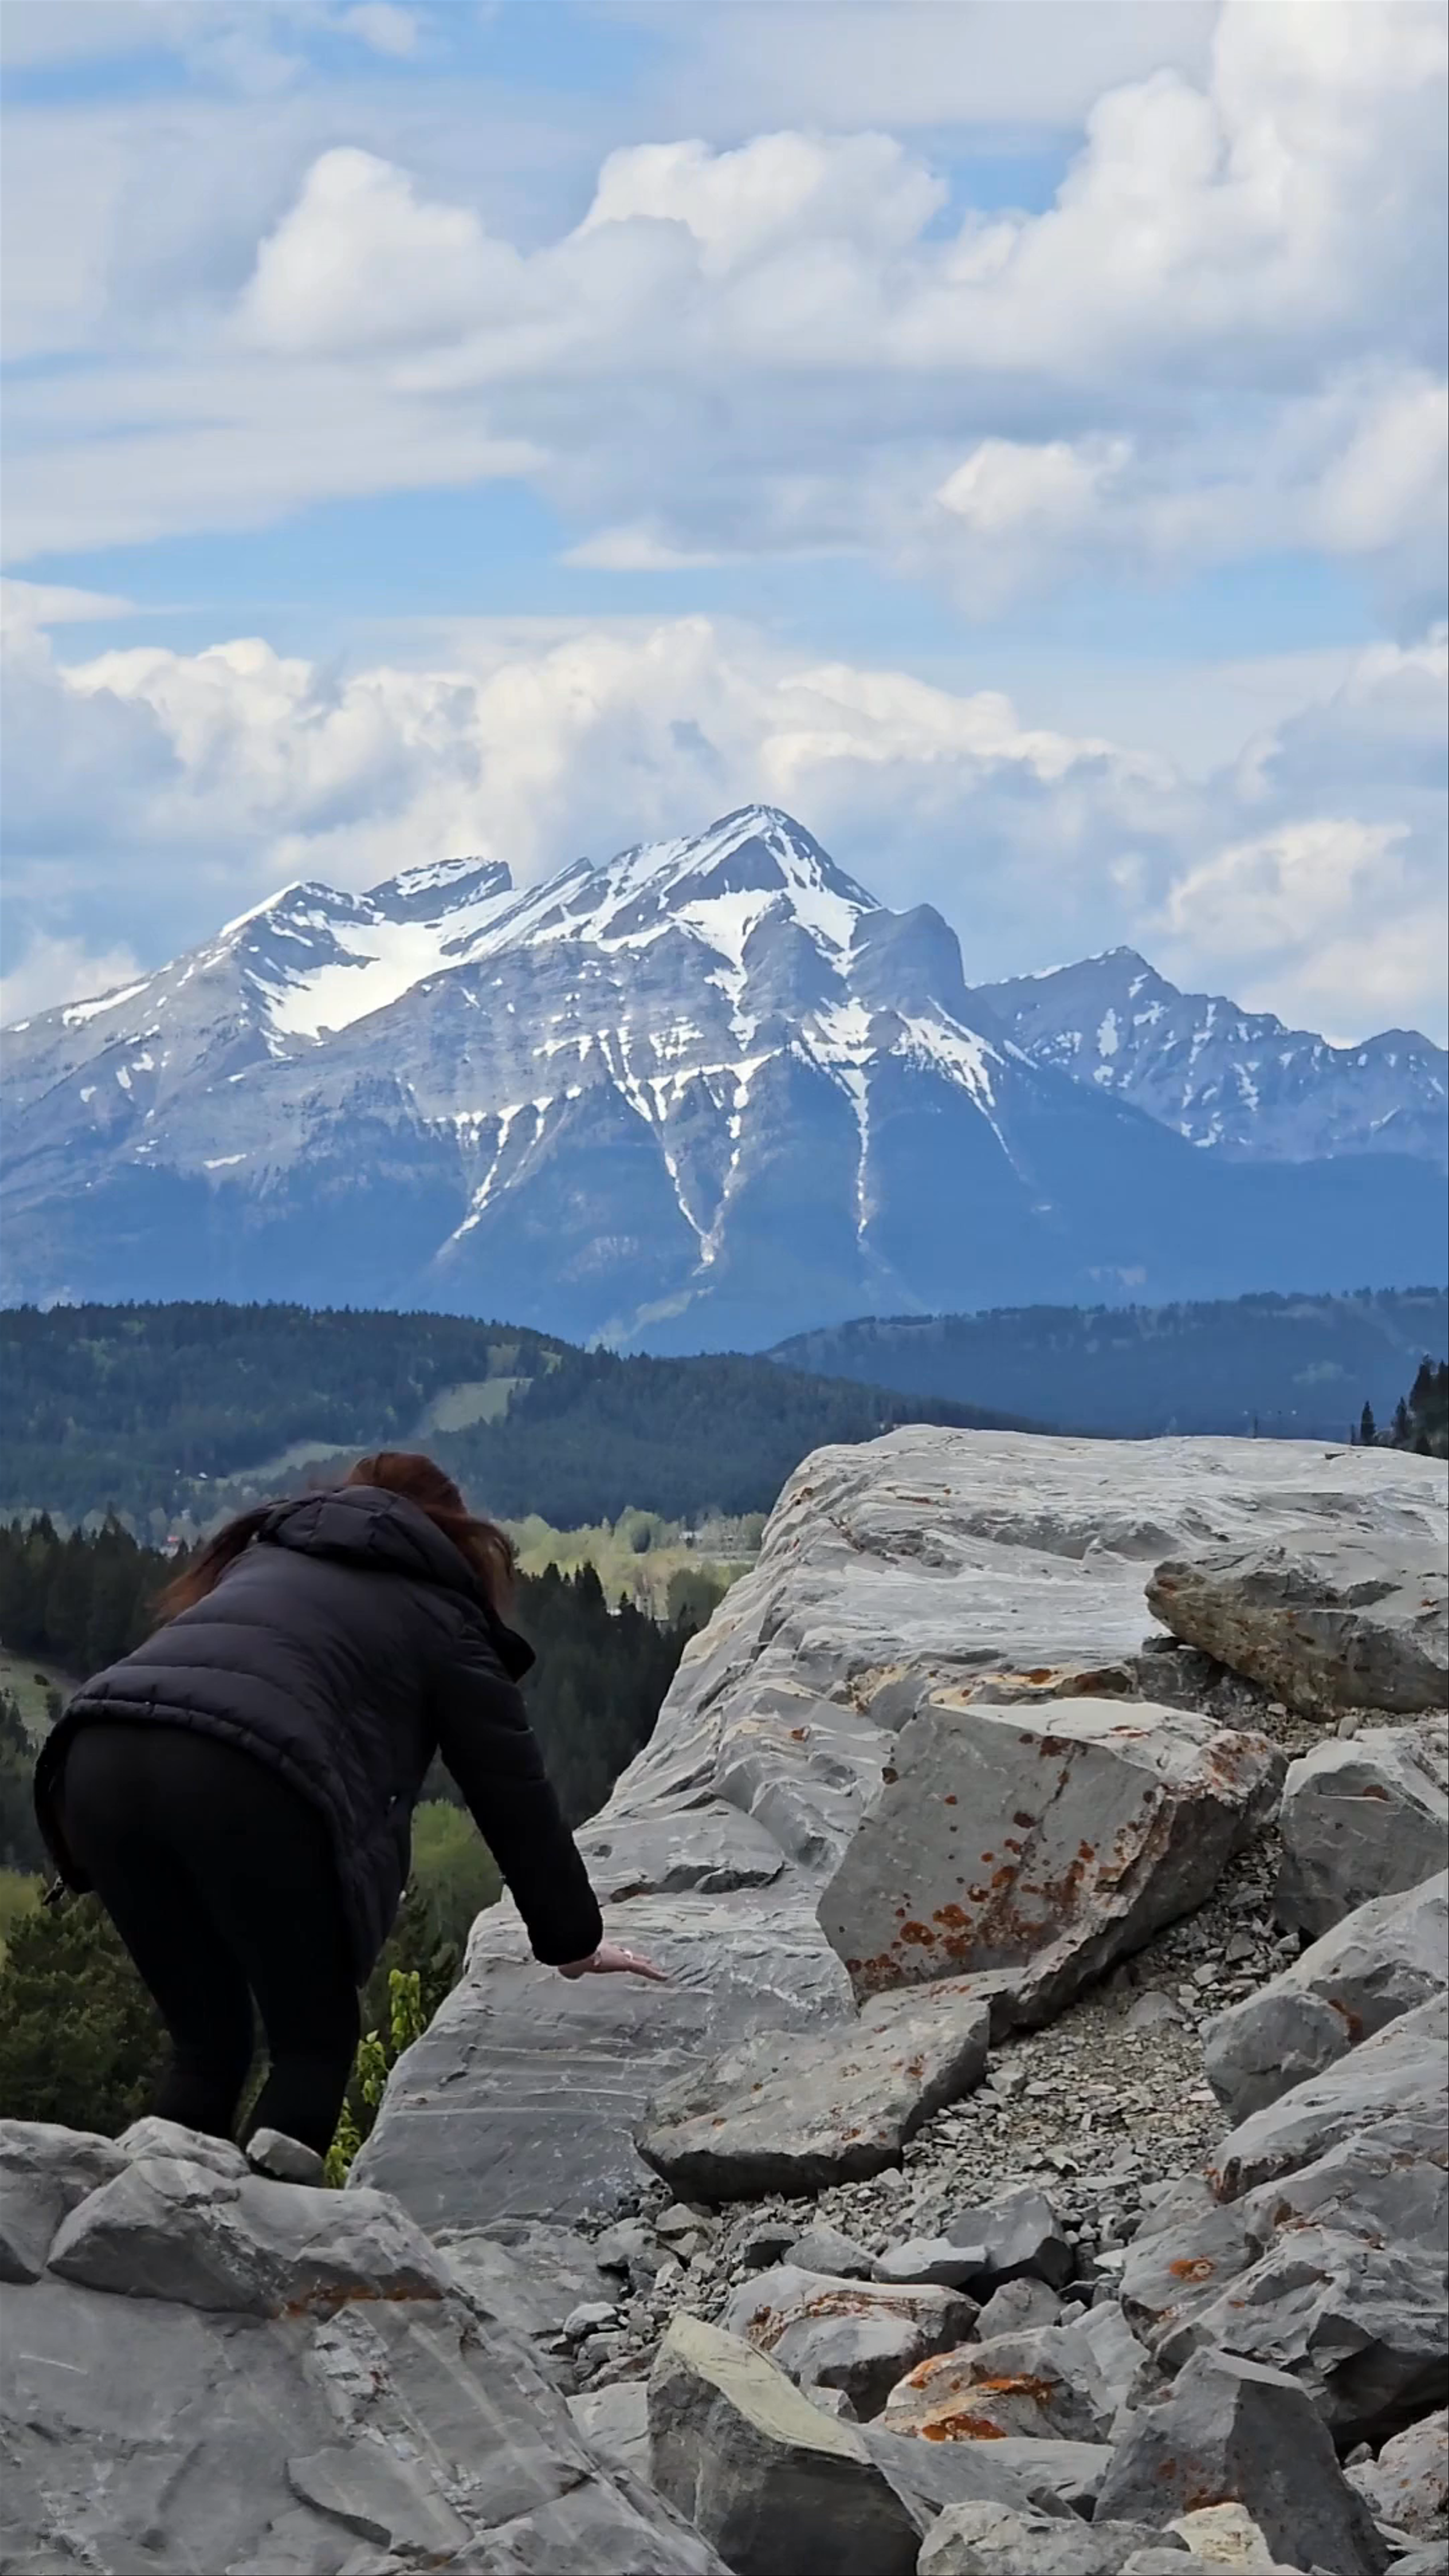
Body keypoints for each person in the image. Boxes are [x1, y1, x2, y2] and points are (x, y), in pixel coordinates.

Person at [32, 1451, 664, 2161]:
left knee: (207, 2048)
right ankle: (249, 2247)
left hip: (95, 1757)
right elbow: (512, 1794)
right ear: (454, 1534)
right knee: (312, 2047)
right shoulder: (443, 1613)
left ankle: (135, 2239)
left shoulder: (261, 1555)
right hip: (249, 1775)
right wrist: (573, 1941)